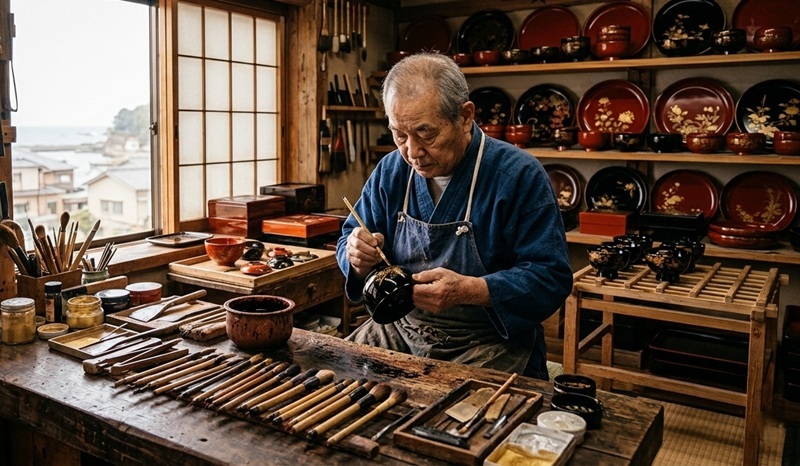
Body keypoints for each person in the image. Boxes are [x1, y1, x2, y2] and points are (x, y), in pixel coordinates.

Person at [335, 53, 572, 379]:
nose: (412, 152)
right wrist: (355, 255)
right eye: (399, 135)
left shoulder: (517, 175)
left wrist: (472, 290)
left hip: (488, 341)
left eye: (426, 133)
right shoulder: (392, 170)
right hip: (401, 331)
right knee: (335, 385)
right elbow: (350, 236)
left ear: (465, 116)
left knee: (459, 424)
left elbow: (551, 278)